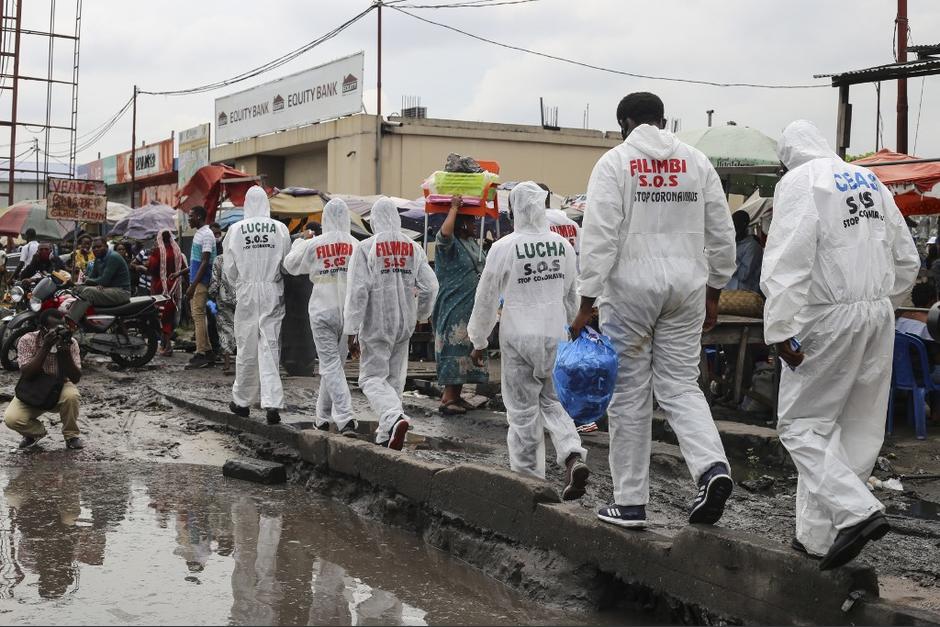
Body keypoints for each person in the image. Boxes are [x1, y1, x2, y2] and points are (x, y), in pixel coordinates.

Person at [571, 92, 737, 529]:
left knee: (629, 393)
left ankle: (629, 502)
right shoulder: (697, 162)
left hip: (631, 290)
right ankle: (711, 468)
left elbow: (600, 237)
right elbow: (722, 231)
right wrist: (715, 289)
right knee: (681, 386)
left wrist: (586, 303)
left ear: (624, 122)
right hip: (687, 287)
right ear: (664, 120)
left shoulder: (615, 162)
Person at [761, 119, 919, 570]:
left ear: (787, 155)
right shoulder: (867, 178)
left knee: (800, 426)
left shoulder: (800, 181)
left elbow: (787, 258)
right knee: (854, 428)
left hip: (828, 315)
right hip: (877, 312)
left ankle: (857, 510)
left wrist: (779, 328)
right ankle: (816, 536)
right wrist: (880, 302)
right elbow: (906, 256)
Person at [467, 181, 589, 498]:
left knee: (522, 413)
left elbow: (486, 298)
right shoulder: (562, 246)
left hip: (518, 336)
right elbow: (571, 295)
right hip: (555, 335)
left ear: (515, 210)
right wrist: (574, 331)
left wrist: (478, 340)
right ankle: (572, 456)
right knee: (553, 402)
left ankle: (529, 484)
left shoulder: (504, 247)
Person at [344, 197, 439, 450]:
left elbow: (358, 291)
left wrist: (351, 330)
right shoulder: (413, 247)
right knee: (395, 379)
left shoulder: (366, 247)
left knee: (371, 379)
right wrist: (420, 314)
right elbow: (431, 285)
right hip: (404, 323)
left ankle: (394, 417)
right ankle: (387, 433)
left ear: (373, 221)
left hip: (376, 322)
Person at [284, 198, 359, 434]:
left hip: (322, 311)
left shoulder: (314, 244)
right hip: (349, 313)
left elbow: (291, 265)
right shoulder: (357, 245)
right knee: (334, 365)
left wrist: (300, 244)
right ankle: (322, 418)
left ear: (325, 219)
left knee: (329, 365)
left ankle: (346, 417)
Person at [223, 186, 291, 424]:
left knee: (246, 347)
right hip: (272, 289)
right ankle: (272, 403)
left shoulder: (235, 230)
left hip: (247, 291)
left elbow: (229, 269)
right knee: (270, 346)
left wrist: (240, 284)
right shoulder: (280, 229)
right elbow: (287, 264)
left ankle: (242, 402)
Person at [432, 194, 488, 416]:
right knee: (454, 346)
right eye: (471, 221)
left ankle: (457, 395)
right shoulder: (450, 243)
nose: (475, 224)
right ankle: (448, 398)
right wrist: (454, 208)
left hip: (471, 305)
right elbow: (444, 234)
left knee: (467, 348)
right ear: (462, 223)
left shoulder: (471, 243)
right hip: (454, 305)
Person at [3, 309, 83, 450]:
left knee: (72, 396)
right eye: (54, 328)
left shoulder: (71, 342)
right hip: (34, 385)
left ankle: (71, 436)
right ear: (42, 328)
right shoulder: (27, 340)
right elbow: (28, 374)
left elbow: (75, 378)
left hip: (59, 384)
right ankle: (35, 433)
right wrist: (45, 347)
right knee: (12, 419)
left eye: (62, 326)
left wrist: (64, 352)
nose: (59, 331)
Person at [69, 236, 131, 321]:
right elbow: (92, 277)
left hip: (121, 292)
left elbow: (103, 281)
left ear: (106, 247)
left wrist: (91, 281)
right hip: (108, 289)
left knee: (88, 292)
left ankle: (71, 321)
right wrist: (76, 285)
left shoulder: (113, 257)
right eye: (94, 247)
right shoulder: (98, 259)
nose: (96, 249)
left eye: (99, 247)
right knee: (77, 289)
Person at [185, 206, 217, 369]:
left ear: (198, 216)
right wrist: (180, 273)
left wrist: (193, 286)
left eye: (190, 216)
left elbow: (205, 262)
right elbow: (196, 261)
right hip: (197, 281)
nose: (188, 219)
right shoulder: (201, 233)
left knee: (198, 316)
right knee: (198, 316)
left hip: (201, 282)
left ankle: (201, 353)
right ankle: (208, 351)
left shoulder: (206, 234)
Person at [148, 229, 187, 356]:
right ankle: (165, 344)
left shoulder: (158, 251)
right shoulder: (177, 252)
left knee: (162, 317)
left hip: (160, 288)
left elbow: (152, 268)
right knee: (170, 317)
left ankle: (167, 346)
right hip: (175, 287)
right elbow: (184, 268)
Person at [208, 236, 237, 375]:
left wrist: (212, 295)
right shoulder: (242, 257)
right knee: (243, 328)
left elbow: (215, 281)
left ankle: (227, 363)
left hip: (223, 299)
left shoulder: (219, 259)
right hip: (242, 298)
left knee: (225, 329)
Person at [725, 210, 764, 293]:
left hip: (745, 294)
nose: (734, 230)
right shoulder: (734, 243)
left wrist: (727, 264)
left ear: (744, 225)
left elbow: (744, 275)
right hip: (728, 292)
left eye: (736, 226)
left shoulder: (752, 246)